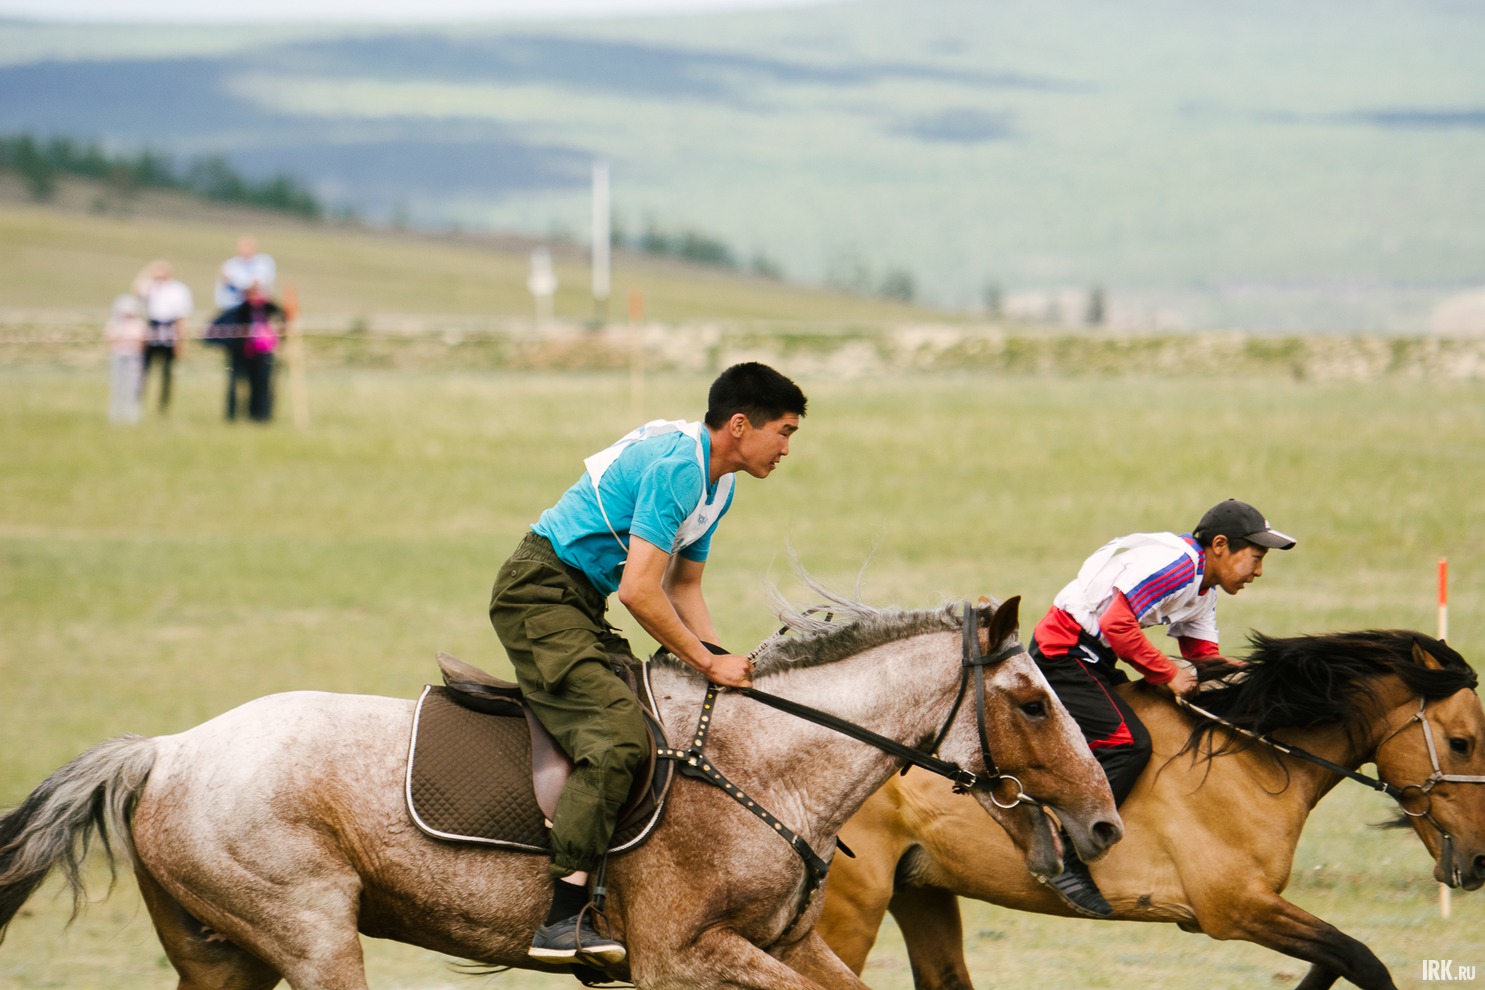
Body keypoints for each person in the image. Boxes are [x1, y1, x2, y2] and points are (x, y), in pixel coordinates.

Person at [488, 362, 807, 968]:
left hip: (581, 601)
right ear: (740, 425)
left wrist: (720, 661)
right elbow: (639, 590)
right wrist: (707, 665)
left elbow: (684, 589)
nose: (787, 448)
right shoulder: (681, 469)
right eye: (784, 432)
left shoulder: (721, 483)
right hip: (539, 591)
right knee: (615, 741)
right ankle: (560, 917)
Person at [1028, 498, 1296, 917]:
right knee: (1126, 742)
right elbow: (1118, 625)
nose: (1259, 571)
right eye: (1256, 557)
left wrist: (1259, 678)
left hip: (1095, 659)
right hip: (1061, 654)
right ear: (1221, 545)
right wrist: (1166, 672)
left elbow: (1203, 657)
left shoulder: (1203, 589)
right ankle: (1063, 850)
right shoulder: (1178, 567)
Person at [209, 282, 285, 422]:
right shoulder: (238, 311)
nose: (255, 295)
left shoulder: (271, 309)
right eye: (252, 292)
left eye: (258, 292)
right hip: (241, 353)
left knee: (261, 386)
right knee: (236, 385)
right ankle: (232, 417)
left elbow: (284, 325)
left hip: (263, 354)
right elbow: (216, 329)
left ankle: (261, 417)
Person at [133, 260, 193, 415]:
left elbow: (181, 318)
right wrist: (148, 270)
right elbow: (135, 288)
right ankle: (136, 405)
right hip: (153, 328)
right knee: (143, 371)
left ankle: (163, 409)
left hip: (169, 330)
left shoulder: (178, 290)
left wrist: (180, 342)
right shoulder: (150, 286)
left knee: (166, 374)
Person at [103, 293, 147, 425]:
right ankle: (116, 416)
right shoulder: (114, 324)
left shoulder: (139, 325)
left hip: (133, 359)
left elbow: (141, 342)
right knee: (117, 387)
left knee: (133, 388)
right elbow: (109, 340)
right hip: (118, 357)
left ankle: (132, 416)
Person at [215, 235, 276, 314]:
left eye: (249, 246)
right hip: (233, 306)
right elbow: (240, 284)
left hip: (257, 306)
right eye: (244, 247)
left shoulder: (263, 263)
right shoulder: (230, 265)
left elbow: (258, 284)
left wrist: (249, 286)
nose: (247, 250)